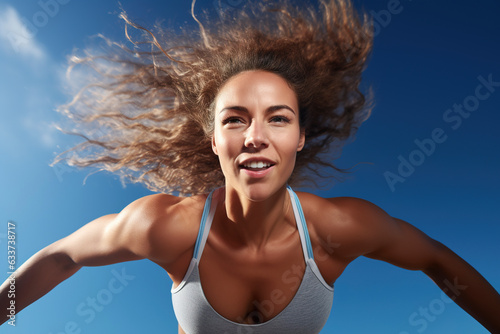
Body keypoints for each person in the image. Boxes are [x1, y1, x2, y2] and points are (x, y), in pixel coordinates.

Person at [1, 0, 499, 333]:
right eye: (236, 119)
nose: (256, 136)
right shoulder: (165, 227)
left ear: (300, 137)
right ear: (213, 138)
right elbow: (63, 256)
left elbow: (437, 259)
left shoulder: (338, 228)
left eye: (278, 119)